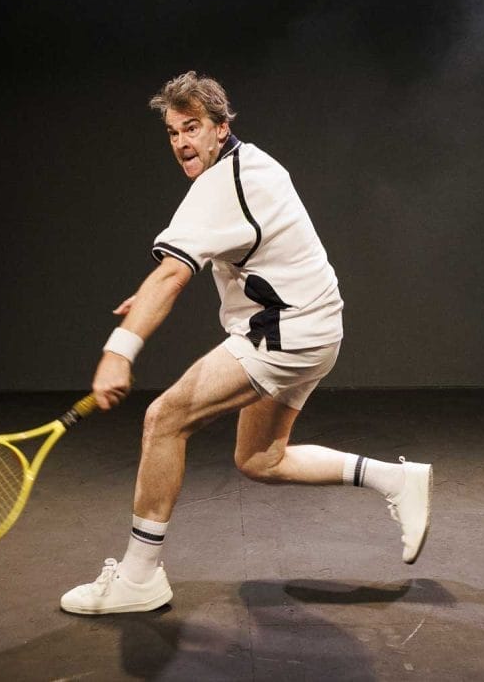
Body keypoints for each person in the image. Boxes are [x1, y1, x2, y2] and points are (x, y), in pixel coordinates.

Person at [60, 71, 432, 615]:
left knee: (164, 419)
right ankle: (396, 479)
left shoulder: (219, 185)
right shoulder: (252, 162)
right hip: (320, 323)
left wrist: (119, 350)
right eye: (172, 132)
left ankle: (139, 577)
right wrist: (144, 298)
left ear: (219, 127)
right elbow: (192, 263)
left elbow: (172, 276)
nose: (183, 143)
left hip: (286, 332)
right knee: (260, 459)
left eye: (193, 128)